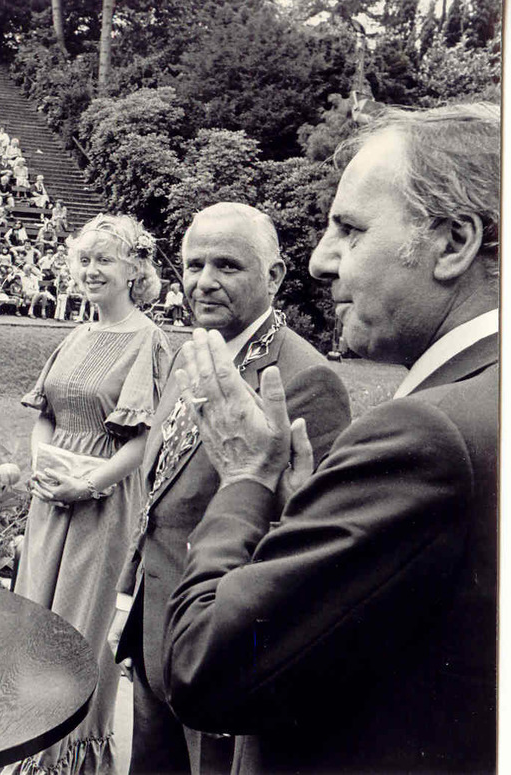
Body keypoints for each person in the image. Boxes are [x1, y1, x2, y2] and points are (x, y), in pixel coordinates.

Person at [161, 103, 498, 774]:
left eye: (350, 229)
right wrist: (307, 515)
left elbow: (203, 665)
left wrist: (246, 480)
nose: (320, 260)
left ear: (454, 242)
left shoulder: (426, 434)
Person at [110, 203, 352, 775]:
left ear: (275, 276)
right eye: (194, 265)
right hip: (155, 641)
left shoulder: (304, 380)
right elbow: (161, 496)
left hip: (225, 655)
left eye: (227, 265)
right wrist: (129, 603)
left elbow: (306, 543)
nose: (204, 281)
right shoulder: (193, 355)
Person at [8, 214, 172, 775]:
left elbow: (143, 441)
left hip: (101, 501)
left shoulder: (149, 341)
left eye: (104, 259)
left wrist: (86, 484)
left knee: (80, 625)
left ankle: (67, 759)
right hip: (52, 495)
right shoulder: (76, 335)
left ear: (134, 270)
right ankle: (28, 742)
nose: (91, 269)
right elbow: (46, 415)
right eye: (83, 259)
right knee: (36, 612)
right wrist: (41, 465)